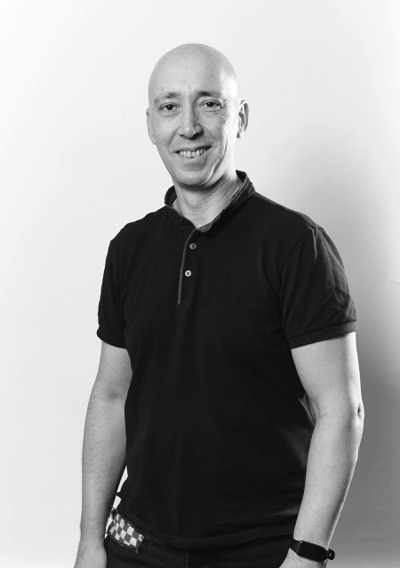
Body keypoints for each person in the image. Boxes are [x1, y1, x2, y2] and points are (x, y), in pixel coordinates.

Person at [74, 43, 364, 568]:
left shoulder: (294, 245)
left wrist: (307, 554)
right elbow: (112, 396)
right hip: (138, 543)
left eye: (209, 103)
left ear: (241, 118)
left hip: (263, 548)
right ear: (150, 124)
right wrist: (91, 538)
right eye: (169, 106)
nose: (188, 126)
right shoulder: (130, 248)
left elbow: (340, 409)